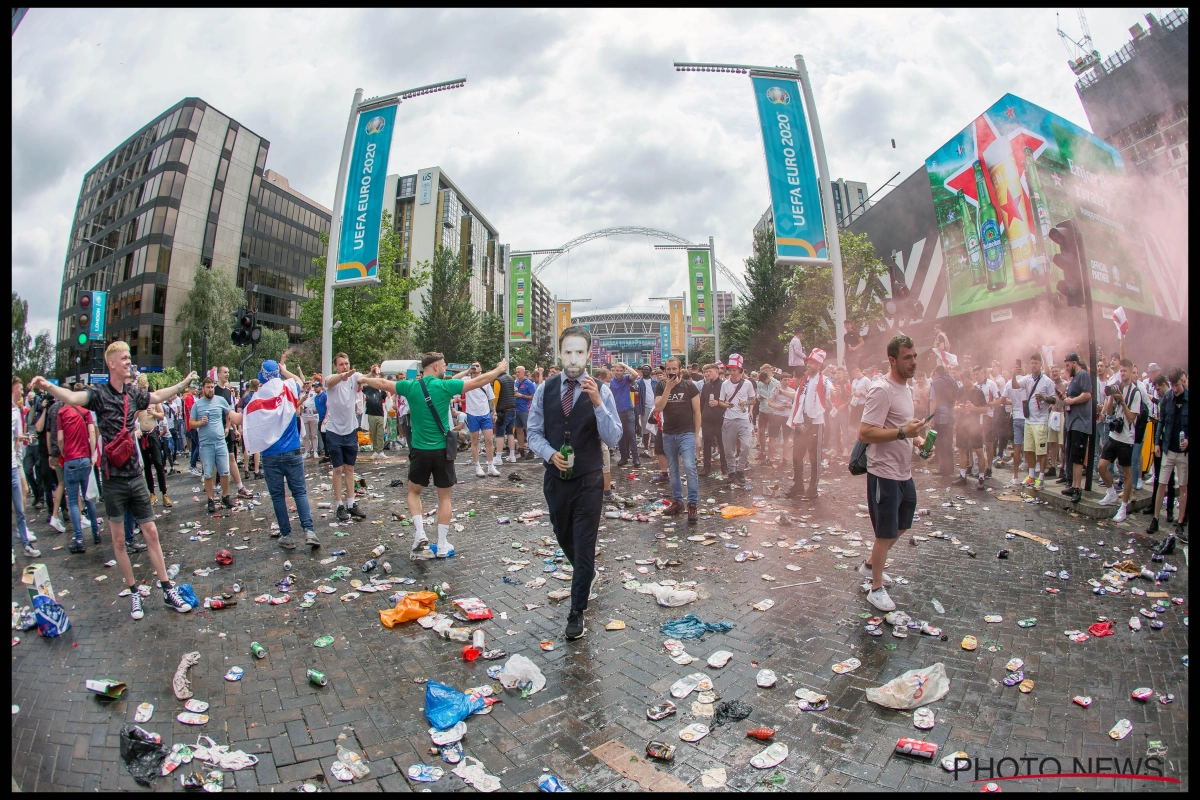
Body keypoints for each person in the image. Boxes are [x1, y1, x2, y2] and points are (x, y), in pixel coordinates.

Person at [31, 345, 198, 619]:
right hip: (112, 479)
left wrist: (182, 384)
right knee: (119, 541)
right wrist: (48, 386)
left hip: (134, 475)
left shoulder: (133, 393)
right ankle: (134, 593)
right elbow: (72, 397)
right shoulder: (98, 394)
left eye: (129, 358)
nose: (128, 362)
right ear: (111, 364)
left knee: (152, 533)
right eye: (124, 359)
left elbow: (156, 395)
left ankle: (167, 588)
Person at [527, 326, 622, 640]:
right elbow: (533, 432)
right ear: (560, 353)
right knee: (563, 535)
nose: (573, 358)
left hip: (589, 480)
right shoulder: (546, 388)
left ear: (588, 355)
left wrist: (597, 402)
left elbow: (613, 437)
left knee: (583, 545)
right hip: (556, 480)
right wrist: (550, 454)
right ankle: (587, 574)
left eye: (579, 351)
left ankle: (576, 611)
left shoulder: (601, 390)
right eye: (567, 351)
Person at [390, 352, 507, 558]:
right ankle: (442, 545)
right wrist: (499, 369)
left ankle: (419, 534)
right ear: (435, 367)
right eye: (444, 365)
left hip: (419, 450)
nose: (445, 368)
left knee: (413, 491)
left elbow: (383, 384)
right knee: (445, 497)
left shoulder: (409, 386)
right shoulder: (445, 387)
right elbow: (480, 380)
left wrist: (362, 378)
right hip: (442, 450)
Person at [858, 335, 930, 612]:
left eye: (914, 356)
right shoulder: (881, 389)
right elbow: (865, 432)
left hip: (904, 472)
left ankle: (869, 566)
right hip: (883, 473)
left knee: (902, 524)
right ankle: (875, 589)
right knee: (884, 532)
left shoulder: (907, 389)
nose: (913, 362)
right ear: (892, 360)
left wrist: (918, 441)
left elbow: (904, 428)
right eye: (907, 358)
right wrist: (903, 432)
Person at [230, 354, 321, 551]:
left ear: (262, 378)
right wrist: (284, 369)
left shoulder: (258, 397)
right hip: (292, 451)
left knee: (278, 496)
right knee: (299, 492)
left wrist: (226, 410)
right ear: (277, 373)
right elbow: (298, 380)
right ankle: (309, 530)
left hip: (270, 454)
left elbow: (239, 419)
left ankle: (287, 535)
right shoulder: (289, 387)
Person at [653, 357, 702, 523]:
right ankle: (677, 501)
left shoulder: (690, 386)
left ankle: (693, 504)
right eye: (669, 369)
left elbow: (697, 412)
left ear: (680, 369)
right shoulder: (660, 385)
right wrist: (668, 387)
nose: (672, 372)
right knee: (673, 469)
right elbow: (658, 407)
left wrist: (696, 435)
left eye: (674, 368)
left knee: (689, 466)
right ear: (665, 371)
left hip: (686, 432)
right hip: (668, 433)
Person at [58, 382, 101, 553]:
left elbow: (60, 439)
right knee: (89, 496)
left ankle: (79, 539)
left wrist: (64, 453)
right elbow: (92, 433)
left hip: (70, 459)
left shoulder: (61, 413)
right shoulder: (86, 413)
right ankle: (96, 532)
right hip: (85, 458)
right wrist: (91, 455)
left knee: (74, 501)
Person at [1096, 358, 1141, 522]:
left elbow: (1130, 418)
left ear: (1131, 371)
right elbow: (1108, 412)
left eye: (1125, 371)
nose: (1122, 374)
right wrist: (1110, 397)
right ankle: (1111, 493)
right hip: (1114, 435)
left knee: (1127, 474)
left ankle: (1123, 507)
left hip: (1127, 438)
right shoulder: (1118, 387)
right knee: (1101, 466)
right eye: (1120, 371)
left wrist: (1122, 400)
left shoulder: (1136, 393)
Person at [324, 353, 368, 520]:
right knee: (337, 469)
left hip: (350, 430)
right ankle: (339, 505)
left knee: (350, 468)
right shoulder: (331, 378)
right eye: (341, 364)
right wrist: (343, 375)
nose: (345, 366)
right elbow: (330, 382)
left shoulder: (354, 376)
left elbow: (366, 379)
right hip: (334, 430)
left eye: (347, 363)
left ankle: (351, 503)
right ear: (336, 366)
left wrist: (373, 375)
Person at [786, 349, 833, 500]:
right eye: (809, 362)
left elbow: (832, 391)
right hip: (801, 422)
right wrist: (781, 392)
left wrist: (837, 393)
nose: (809, 365)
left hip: (815, 424)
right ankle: (798, 485)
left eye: (812, 363)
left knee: (814, 457)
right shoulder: (805, 380)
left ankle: (813, 488)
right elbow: (797, 395)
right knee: (797, 456)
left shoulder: (824, 380)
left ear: (819, 365)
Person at [1146, 368, 1187, 541]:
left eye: (1177, 385)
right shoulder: (1168, 398)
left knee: (1183, 486)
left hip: (1183, 452)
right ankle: (1155, 519)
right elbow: (1162, 421)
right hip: (1168, 448)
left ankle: (1180, 522)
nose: (1175, 388)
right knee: (1161, 483)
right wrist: (1157, 443)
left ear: (1182, 382)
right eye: (1172, 385)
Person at [190, 378, 235, 514]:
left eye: (212, 387)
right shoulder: (197, 405)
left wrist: (228, 427)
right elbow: (191, 423)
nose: (210, 390)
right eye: (208, 387)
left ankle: (225, 496)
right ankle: (210, 499)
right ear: (203, 388)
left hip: (220, 441)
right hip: (206, 444)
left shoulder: (220, 400)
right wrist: (200, 423)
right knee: (208, 473)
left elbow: (229, 413)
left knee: (225, 471)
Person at [1057, 353, 1093, 504]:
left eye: (1067, 366)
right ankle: (1073, 485)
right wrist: (1065, 398)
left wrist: (1072, 400)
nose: (1066, 369)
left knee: (1078, 457)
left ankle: (1078, 488)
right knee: (1071, 454)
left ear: (1074, 363)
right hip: (1071, 422)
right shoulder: (1073, 380)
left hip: (1081, 422)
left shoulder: (1083, 374)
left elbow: (1087, 395)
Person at [213, 366, 252, 498]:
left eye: (228, 372)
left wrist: (234, 428)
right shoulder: (213, 390)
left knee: (231, 457)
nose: (227, 374)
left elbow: (229, 411)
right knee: (214, 460)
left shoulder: (228, 392)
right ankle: (213, 490)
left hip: (226, 428)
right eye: (225, 372)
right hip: (215, 429)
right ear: (218, 375)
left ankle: (240, 487)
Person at [716, 354, 756, 484]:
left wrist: (746, 403)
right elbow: (720, 401)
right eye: (730, 370)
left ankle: (741, 470)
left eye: (735, 370)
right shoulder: (725, 384)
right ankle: (732, 472)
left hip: (743, 419)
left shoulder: (748, 384)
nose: (732, 373)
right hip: (728, 420)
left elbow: (753, 400)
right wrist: (726, 405)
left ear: (740, 370)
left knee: (745, 446)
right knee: (728, 449)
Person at [134, 374, 172, 507]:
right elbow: (130, 419)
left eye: (145, 387)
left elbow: (162, 416)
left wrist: (154, 413)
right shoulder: (136, 400)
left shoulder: (153, 399)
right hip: (141, 436)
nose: (143, 390)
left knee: (159, 464)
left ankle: (164, 494)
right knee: (147, 466)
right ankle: (152, 493)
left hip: (153, 434)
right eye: (141, 388)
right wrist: (138, 410)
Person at [12, 377, 39, 558]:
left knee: (20, 508)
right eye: (20, 389)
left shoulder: (16, 411)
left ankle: (25, 544)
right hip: (14, 462)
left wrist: (24, 438)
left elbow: (16, 437)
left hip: (13, 464)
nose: (22, 392)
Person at [462, 360, 500, 477]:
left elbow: (490, 398)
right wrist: (467, 371)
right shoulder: (466, 380)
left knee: (489, 440)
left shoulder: (486, 381)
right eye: (472, 366)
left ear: (481, 368)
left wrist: (494, 413)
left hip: (485, 414)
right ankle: (477, 466)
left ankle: (490, 466)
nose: (475, 368)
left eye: (477, 366)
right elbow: (455, 378)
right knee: (475, 441)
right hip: (472, 414)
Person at [952, 367, 988, 490]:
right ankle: (962, 476)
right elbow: (955, 406)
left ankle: (981, 477)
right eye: (963, 381)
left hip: (975, 425)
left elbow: (985, 409)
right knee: (961, 449)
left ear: (971, 379)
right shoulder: (960, 390)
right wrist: (959, 408)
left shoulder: (978, 392)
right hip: (962, 424)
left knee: (978, 451)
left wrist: (974, 408)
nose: (965, 384)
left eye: (967, 381)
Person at [929, 365, 958, 477]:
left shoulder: (936, 383)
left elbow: (933, 401)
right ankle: (950, 468)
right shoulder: (952, 380)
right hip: (951, 415)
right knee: (948, 443)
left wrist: (931, 418)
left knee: (941, 443)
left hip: (940, 416)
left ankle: (944, 468)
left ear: (937, 373)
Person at [609, 362, 640, 468]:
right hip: (617, 412)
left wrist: (625, 366)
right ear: (613, 371)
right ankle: (624, 457)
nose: (618, 372)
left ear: (623, 371)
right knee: (620, 435)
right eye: (616, 370)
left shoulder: (626, 378)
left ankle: (636, 458)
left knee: (631, 434)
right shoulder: (610, 381)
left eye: (620, 370)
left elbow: (635, 374)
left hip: (628, 410)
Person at [699, 363, 727, 476]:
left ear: (716, 371)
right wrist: (700, 416)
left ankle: (725, 466)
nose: (707, 373)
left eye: (709, 371)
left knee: (721, 443)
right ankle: (706, 467)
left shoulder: (724, 385)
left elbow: (728, 402)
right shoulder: (705, 386)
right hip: (707, 418)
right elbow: (702, 402)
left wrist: (719, 404)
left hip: (720, 418)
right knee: (707, 443)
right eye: (706, 372)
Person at [361, 364, 388, 460]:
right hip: (371, 414)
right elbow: (360, 383)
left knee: (380, 433)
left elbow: (387, 399)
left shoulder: (381, 390)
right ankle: (376, 450)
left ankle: (380, 451)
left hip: (380, 414)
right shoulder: (367, 388)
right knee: (373, 433)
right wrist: (371, 372)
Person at [493, 366, 517, 464]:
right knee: (510, 433)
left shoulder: (497, 380)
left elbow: (495, 396)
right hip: (512, 408)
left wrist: (493, 410)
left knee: (499, 433)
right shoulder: (511, 378)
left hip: (502, 411)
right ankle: (512, 455)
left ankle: (498, 457)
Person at [514, 365, 536, 460]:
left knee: (528, 429)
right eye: (516, 372)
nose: (517, 374)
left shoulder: (529, 383)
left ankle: (531, 450)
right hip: (517, 409)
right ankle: (521, 448)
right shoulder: (516, 382)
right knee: (519, 429)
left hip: (525, 410)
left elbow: (533, 396)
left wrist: (521, 396)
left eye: (519, 372)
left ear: (523, 372)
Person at [636, 365, 657, 458]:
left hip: (655, 408)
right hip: (644, 408)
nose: (645, 371)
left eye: (647, 369)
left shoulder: (656, 382)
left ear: (650, 371)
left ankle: (658, 448)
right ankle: (645, 449)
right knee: (645, 429)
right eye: (644, 369)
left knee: (657, 427)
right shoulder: (638, 382)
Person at [300, 380, 321, 458]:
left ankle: (315, 451)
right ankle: (307, 451)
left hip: (313, 415)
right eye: (305, 383)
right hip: (305, 415)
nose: (306, 384)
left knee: (314, 435)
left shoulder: (314, 392)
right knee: (305, 435)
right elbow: (299, 403)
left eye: (308, 383)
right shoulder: (302, 393)